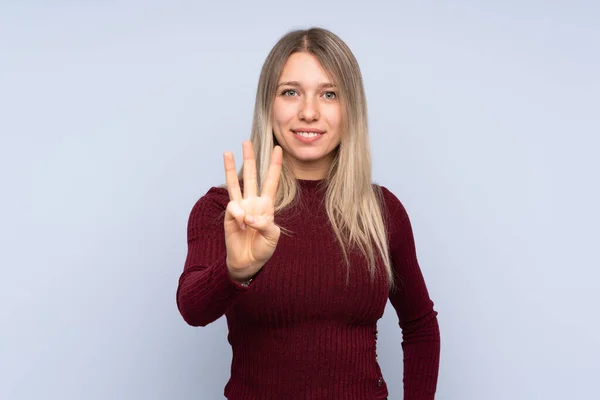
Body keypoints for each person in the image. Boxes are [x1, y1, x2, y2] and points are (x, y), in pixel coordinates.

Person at [176, 27, 440, 400]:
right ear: (268, 105)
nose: (309, 112)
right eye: (290, 92)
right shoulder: (226, 209)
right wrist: (235, 272)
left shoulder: (382, 212)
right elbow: (192, 308)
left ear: (350, 109)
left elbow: (420, 325)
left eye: (329, 94)